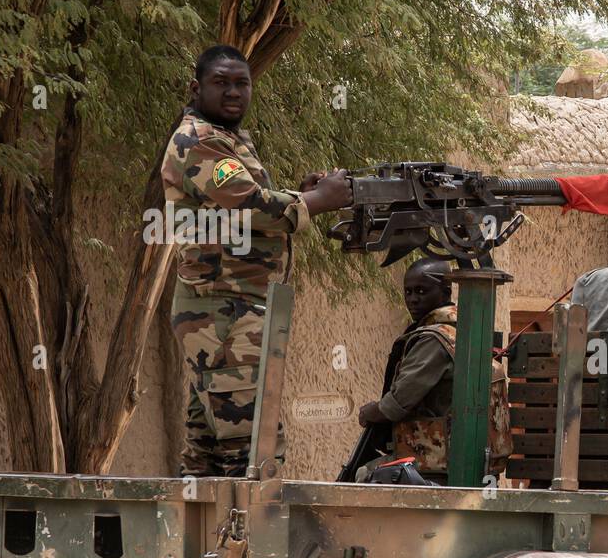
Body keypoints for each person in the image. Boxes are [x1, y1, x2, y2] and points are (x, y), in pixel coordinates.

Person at [164, 43, 353, 477]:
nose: (233, 92)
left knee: (210, 451)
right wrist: (318, 200)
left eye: (241, 83)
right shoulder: (199, 140)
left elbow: (239, 209)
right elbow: (252, 206)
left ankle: (202, 543)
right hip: (224, 313)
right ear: (196, 89)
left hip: (227, 309)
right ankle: (254, 543)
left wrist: (298, 192)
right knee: (252, 452)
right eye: (221, 83)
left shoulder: (227, 139)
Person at [355, 257, 512, 482]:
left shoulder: (434, 339)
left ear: (445, 292)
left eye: (421, 291)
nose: (413, 300)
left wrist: (370, 411)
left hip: (439, 462)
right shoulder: (463, 327)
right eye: (408, 292)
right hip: (462, 459)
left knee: (364, 474)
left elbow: (396, 404)